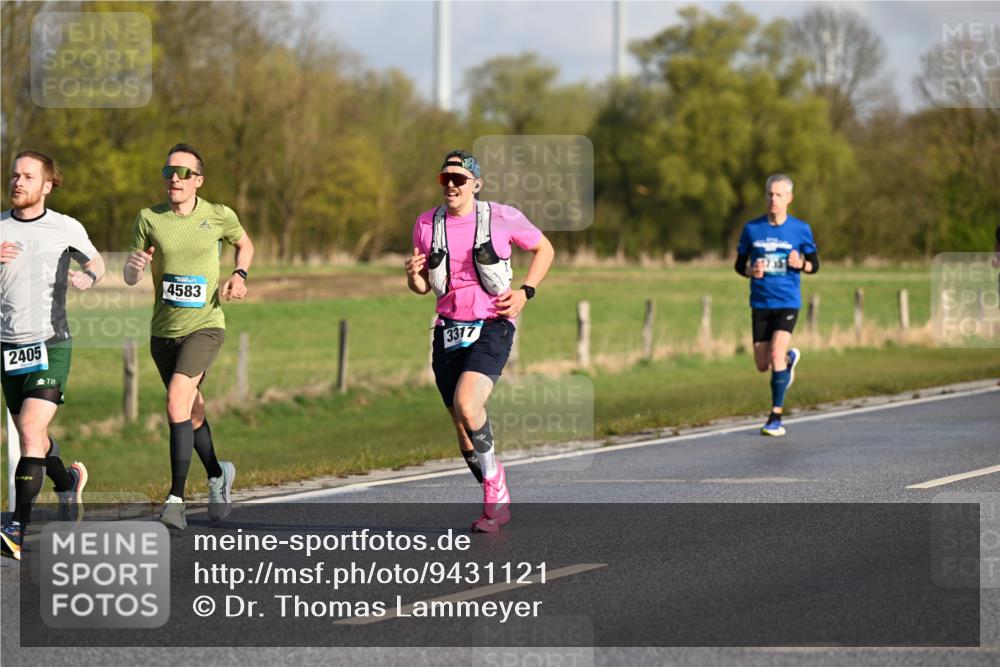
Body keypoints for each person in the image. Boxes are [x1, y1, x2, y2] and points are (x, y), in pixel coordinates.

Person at [405, 150, 554, 533]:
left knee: (468, 404)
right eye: (445, 179)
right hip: (447, 328)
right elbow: (423, 288)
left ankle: (494, 489)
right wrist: (412, 276)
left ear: (476, 184)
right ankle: (495, 501)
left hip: (492, 323)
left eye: (459, 179)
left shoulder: (501, 217)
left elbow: (544, 248)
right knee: (462, 424)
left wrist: (526, 292)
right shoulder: (425, 224)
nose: (451, 185)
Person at [124, 144, 254, 529]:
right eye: (168, 173)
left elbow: (243, 243)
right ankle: (217, 474)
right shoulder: (148, 218)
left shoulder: (218, 215)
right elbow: (132, 274)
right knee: (191, 411)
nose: (174, 180)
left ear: (198, 179)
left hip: (206, 325)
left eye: (182, 173)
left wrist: (240, 274)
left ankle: (175, 500)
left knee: (174, 402)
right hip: (164, 332)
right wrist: (132, 267)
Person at [1, 150, 101, 559]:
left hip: (50, 344)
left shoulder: (64, 227)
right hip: (7, 347)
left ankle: (16, 530)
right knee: (36, 438)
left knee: (28, 429)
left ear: (46, 185)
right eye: (14, 175)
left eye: (28, 176)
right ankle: (68, 483)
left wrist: (89, 276)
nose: (18, 181)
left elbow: (95, 260)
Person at [734, 174, 819, 437]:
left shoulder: (800, 229)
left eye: (779, 195)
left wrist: (800, 264)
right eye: (770, 194)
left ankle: (775, 417)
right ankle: (789, 360)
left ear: (789, 198)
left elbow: (815, 265)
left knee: (774, 354)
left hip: (787, 301)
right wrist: (751, 270)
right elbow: (739, 265)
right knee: (762, 364)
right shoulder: (752, 229)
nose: (773, 199)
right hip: (760, 301)